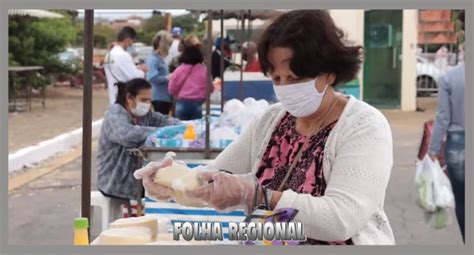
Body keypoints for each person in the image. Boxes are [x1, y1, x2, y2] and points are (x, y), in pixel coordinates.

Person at [138, 10, 395, 245]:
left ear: (329, 73)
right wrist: (171, 182)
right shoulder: (272, 121)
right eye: (276, 78)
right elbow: (214, 176)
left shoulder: (364, 127)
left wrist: (256, 195)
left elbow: (340, 220)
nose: (285, 87)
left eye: (295, 78)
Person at [97, 78, 180, 201]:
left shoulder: (143, 114)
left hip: (136, 180)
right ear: (129, 98)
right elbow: (128, 135)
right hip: (116, 180)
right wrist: (161, 132)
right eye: (143, 100)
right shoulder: (115, 114)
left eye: (149, 100)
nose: (147, 104)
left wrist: (184, 126)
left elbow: (163, 120)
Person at [429, 10, 465, 243]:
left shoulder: (451, 77)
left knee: (463, 203)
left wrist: (432, 151)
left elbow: (442, 117)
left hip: (458, 146)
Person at [103, 26, 148, 105]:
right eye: (131, 42)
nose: (131, 45)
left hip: (113, 99)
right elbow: (135, 78)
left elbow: (120, 70)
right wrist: (142, 70)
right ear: (127, 40)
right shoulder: (123, 55)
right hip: (123, 101)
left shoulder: (108, 55)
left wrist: (136, 68)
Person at [168, 46, 209, 120]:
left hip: (182, 102)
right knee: (196, 127)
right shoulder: (204, 70)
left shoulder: (179, 70)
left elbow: (171, 88)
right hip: (198, 103)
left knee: (181, 128)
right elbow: (210, 88)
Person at [146, 30, 174, 115]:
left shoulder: (159, 58)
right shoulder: (153, 59)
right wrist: (167, 78)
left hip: (164, 97)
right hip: (159, 97)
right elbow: (152, 77)